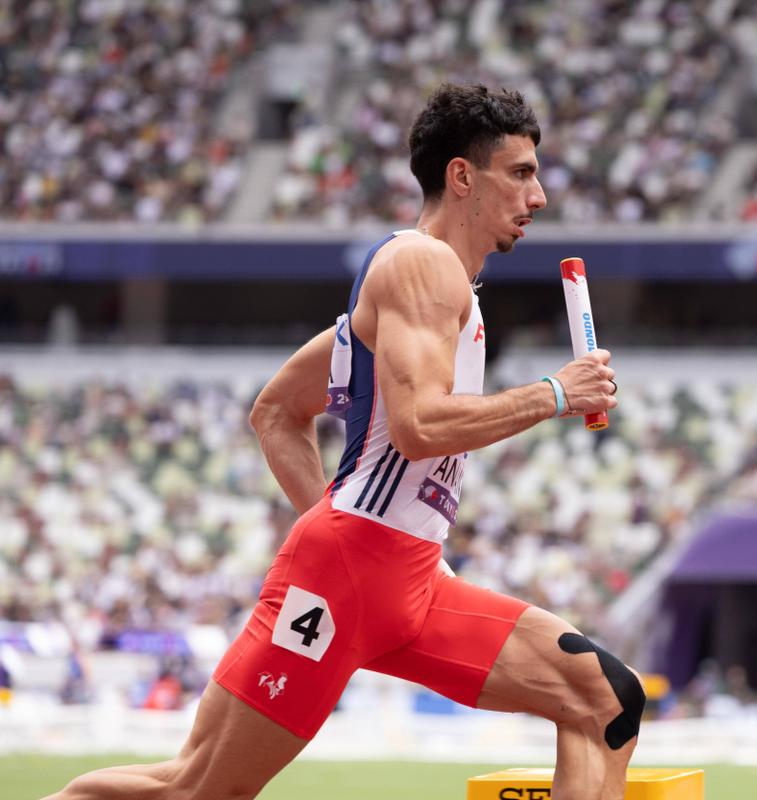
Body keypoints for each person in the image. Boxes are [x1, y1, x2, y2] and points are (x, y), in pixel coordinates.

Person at [46, 83, 636, 800]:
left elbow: (276, 411)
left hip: (410, 578)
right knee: (198, 791)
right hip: (353, 572)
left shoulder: (441, 292)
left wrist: (347, 528)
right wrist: (554, 394)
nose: (538, 196)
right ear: (462, 177)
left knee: (604, 699)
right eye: (521, 173)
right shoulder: (420, 266)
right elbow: (418, 429)